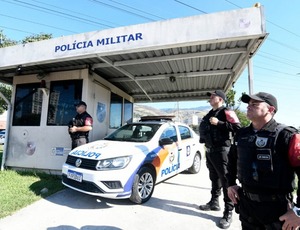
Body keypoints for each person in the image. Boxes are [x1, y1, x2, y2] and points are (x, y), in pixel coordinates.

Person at [227, 92, 300, 229]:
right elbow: (231, 160)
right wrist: (230, 183)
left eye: (255, 104)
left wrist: (298, 212)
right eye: (248, 104)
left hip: (277, 211)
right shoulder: (242, 135)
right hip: (247, 208)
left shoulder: (286, 136)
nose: (249, 107)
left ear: (270, 110)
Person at [199, 90, 241, 229]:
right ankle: (214, 203)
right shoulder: (210, 114)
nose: (210, 98)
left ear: (221, 99)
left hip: (223, 152)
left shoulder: (227, 112)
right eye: (210, 96)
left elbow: (238, 128)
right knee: (214, 179)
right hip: (210, 152)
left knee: (226, 181)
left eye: (213, 96)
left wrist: (220, 123)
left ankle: (228, 212)